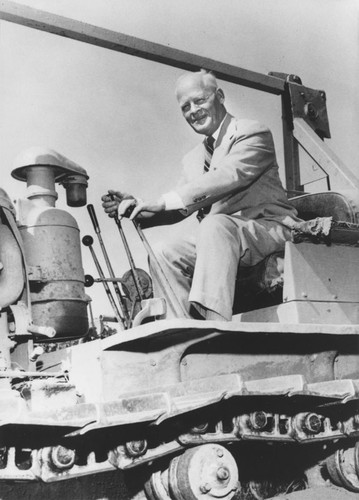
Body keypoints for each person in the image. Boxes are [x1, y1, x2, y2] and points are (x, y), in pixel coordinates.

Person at [102, 70, 299, 321]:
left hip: (268, 230)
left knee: (214, 225)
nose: (193, 111)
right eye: (185, 107)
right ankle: (181, 330)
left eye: (199, 100)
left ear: (219, 96)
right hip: (222, 239)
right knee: (165, 251)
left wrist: (161, 201)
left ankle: (215, 327)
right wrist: (138, 208)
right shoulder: (193, 159)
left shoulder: (251, 133)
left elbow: (227, 176)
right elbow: (182, 206)